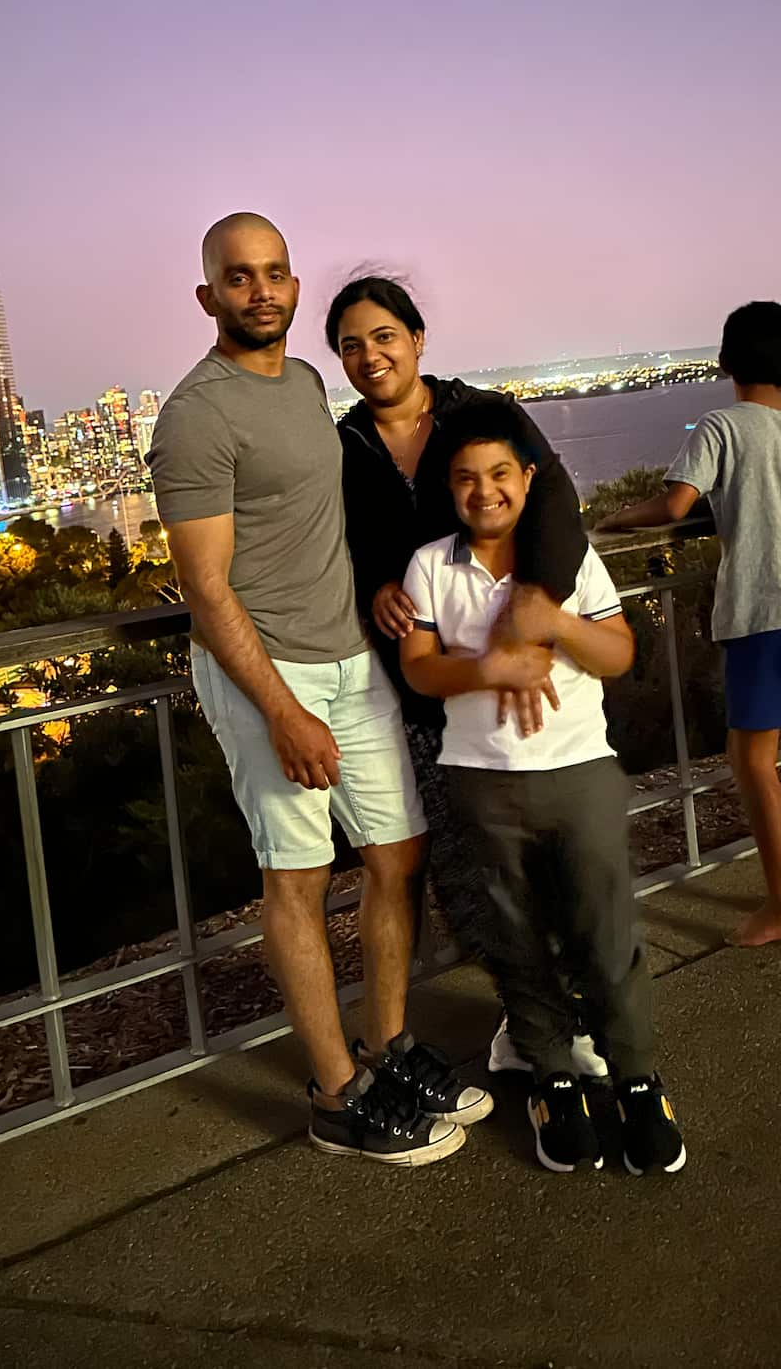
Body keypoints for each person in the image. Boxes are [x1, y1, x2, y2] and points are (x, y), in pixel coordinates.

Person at [149, 214, 489, 1167]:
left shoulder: (304, 382)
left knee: (400, 851)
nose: (261, 291)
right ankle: (337, 1094)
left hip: (352, 660)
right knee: (297, 879)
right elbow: (206, 587)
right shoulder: (196, 415)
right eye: (239, 277)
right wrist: (281, 707)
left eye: (276, 273)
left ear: (294, 285)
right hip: (273, 674)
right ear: (208, 295)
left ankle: (388, 1048)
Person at [326, 274, 604, 1079]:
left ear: (417, 338)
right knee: (470, 868)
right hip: (425, 685)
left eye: (384, 335)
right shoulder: (345, 445)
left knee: (547, 856)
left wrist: (534, 606)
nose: (369, 355)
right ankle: (530, 1021)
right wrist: (372, 582)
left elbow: (554, 501)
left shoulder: (478, 414)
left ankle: (570, 1015)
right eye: (351, 344)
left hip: (517, 674)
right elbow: (340, 545)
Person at [399, 402, 685, 1175]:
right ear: (448, 489)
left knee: (606, 931)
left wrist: (550, 623)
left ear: (529, 477)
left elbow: (619, 651)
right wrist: (490, 666)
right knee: (513, 935)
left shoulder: (566, 561)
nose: (483, 491)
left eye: (499, 473)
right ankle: (552, 1077)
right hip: (481, 778)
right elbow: (420, 667)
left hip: (579, 769)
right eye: (465, 478)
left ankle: (636, 1079)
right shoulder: (432, 565)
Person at [598, 301, 781, 947]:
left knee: (754, 760)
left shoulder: (721, 424)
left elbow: (677, 503)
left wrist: (614, 519)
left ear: (723, 361)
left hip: (764, 613)